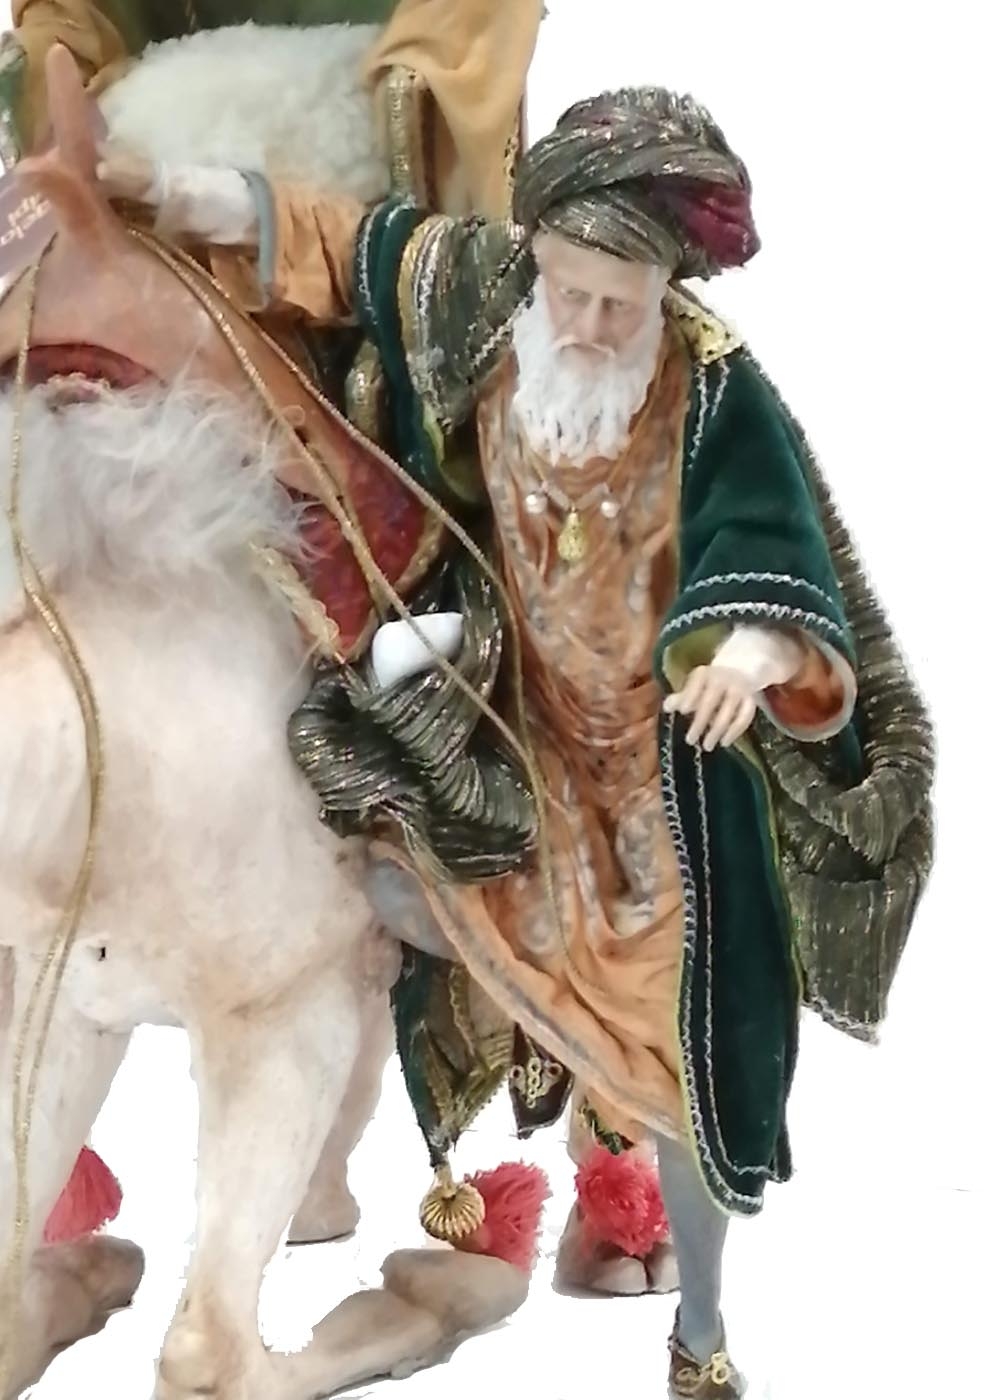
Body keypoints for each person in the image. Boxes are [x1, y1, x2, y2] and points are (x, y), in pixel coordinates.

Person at [64, 82, 936, 1397]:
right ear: (534, 253)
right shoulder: (480, 292)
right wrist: (188, 198)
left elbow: (776, 549)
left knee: (676, 1053)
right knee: (354, 877)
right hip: (500, 725)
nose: (583, 325)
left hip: (656, 792)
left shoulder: (714, 394)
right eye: (569, 289)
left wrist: (751, 656)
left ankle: (700, 1328)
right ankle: (349, 1160)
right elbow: (353, 245)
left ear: (668, 290)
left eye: (619, 305)